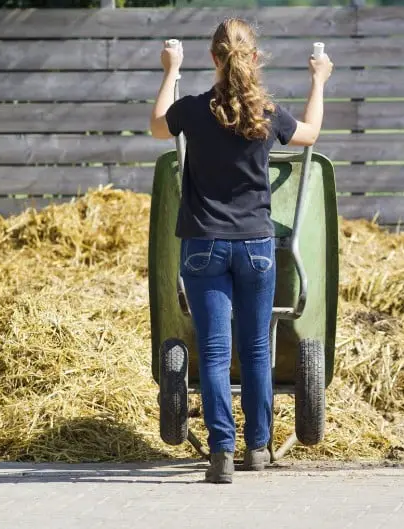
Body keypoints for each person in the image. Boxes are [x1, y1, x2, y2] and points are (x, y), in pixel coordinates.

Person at [149, 18, 334, 484]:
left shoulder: (191, 110)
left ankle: (222, 455)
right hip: (256, 246)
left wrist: (171, 70)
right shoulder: (267, 113)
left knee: (213, 354)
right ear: (253, 59)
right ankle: (258, 449)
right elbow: (311, 133)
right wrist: (319, 79)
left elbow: (156, 128)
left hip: (203, 246)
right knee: (255, 350)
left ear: (214, 58)